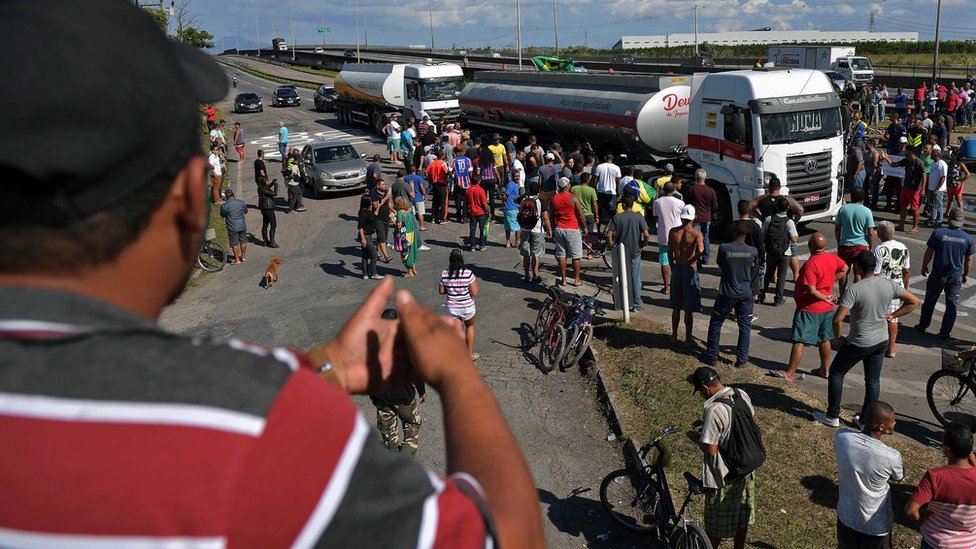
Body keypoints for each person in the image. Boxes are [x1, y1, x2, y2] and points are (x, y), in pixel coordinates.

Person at [0, 2, 547, 545]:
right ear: (193, 201)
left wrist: (324, 368)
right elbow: (506, 534)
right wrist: (457, 374)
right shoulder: (248, 421)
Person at [814, 252, 919, 428]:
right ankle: (865, 421)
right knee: (872, 381)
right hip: (881, 340)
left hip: (859, 341)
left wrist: (839, 338)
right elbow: (914, 301)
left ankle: (832, 415)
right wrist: (893, 315)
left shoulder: (855, 289)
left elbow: (837, 320)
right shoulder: (888, 283)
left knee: (837, 373)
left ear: (858, 267)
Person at [688, 367, 757, 549]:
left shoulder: (713, 409)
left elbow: (710, 449)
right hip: (747, 469)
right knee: (742, 520)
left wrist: (698, 438)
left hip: (725, 477)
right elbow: (748, 421)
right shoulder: (741, 394)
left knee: (715, 528)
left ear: (704, 388)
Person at [777, 233, 848, 381]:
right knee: (824, 339)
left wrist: (823, 296)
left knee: (799, 340)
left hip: (810, 308)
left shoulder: (811, 264)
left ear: (810, 246)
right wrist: (830, 282)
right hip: (827, 308)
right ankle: (825, 369)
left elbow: (811, 290)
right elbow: (845, 268)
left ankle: (790, 373)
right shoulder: (831, 257)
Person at [833, 401, 904, 548]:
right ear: (882, 427)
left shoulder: (842, 437)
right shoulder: (891, 456)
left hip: (846, 518)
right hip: (875, 525)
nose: (895, 423)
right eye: (893, 421)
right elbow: (899, 476)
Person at [906, 422, 976, 549]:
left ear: (947, 449)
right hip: (969, 545)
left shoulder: (935, 476)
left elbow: (911, 511)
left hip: (935, 543)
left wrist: (921, 518)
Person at [369, 309, 426, 456]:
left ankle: (392, 459)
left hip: (381, 397)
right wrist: (422, 391)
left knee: (388, 433)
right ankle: (406, 458)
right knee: (412, 424)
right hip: (403, 396)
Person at [703, 222, 758, 368]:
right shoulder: (752, 251)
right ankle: (742, 360)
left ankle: (712, 357)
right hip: (745, 292)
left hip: (727, 292)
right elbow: (754, 267)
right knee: (745, 327)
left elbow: (721, 264)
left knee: (716, 323)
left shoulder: (724, 248)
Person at [917, 208, 975, 339]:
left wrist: (924, 265)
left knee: (930, 300)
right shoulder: (967, 238)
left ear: (949, 219)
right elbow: (969, 259)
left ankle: (922, 326)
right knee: (952, 304)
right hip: (955, 276)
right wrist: (965, 274)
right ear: (962, 222)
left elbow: (929, 252)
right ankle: (945, 332)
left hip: (938, 274)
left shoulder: (938, 233)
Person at [607, 192, 651, 311]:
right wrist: (643, 245)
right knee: (635, 277)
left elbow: (609, 234)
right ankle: (636, 303)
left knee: (621, 277)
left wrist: (611, 246)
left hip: (621, 251)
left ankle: (621, 303)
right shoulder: (638, 216)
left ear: (624, 205)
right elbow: (646, 234)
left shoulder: (617, 217)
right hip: (635, 250)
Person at [873, 221, 910, 358]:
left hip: (882, 286)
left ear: (880, 233)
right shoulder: (903, 247)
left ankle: (876, 344)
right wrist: (904, 288)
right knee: (893, 318)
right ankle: (891, 349)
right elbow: (906, 271)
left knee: (878, 316)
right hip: (897, 286)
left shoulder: (880, 249)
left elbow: (876, 272)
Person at [669, 205, 704, 345]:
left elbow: (669, 253)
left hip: (677, 268)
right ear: (694, 217)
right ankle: (688, 338)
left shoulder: (673, 232)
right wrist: (693, 260)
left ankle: (674, 335)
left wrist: (673, 268)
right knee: (688, 308)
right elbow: (701, 249)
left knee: (676, 306)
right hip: (689, 269)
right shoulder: (696, 233)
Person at [834, 187, 876, 295]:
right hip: (861, 245)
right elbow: (871, 232)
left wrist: (839, 242)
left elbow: (838, 228)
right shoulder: (867, 211)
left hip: (845, 245)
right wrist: (871, 247)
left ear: (851, 197)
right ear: (863, 198)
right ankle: (856, 296)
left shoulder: (843, 209)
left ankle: (842, 295)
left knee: (843, 271)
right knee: (859, 272)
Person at [440, 249, 480, 360]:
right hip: (467, 306)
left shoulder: (445, 273)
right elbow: (475, 292)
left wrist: (452, 290)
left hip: (452, 307)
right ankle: (469, 353)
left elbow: (441, 291)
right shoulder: (468, 273)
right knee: (470, 326)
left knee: (457, 332)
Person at [760, 197, 798, 306]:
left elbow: (763, 234)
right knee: (781, 276)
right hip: (785, 252)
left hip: (771, 251)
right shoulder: (789, 222)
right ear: (788, 208)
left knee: (768, 274)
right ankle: (778, 299)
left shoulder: (769, 219)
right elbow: (795, 239)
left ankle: (762, 295)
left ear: (776, 207)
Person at [550, 177, 587, 287]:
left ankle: (564, 279)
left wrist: (552, 228)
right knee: (576, 255)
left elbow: (552, 216)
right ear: (567, 186)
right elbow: (580, 215)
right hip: (572, 228)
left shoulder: (554, 198)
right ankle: (576, 279)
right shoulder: (573, 197)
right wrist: (584, 227)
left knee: (562, 254)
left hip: (559, 228)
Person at [883, 146, 926, 233]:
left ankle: (915, 227)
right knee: (903, 206)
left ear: (911, 152)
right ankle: (901, 225)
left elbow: (924, 175)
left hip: (915, 189)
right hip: (906, 187)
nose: (904, 152)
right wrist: (886, 158)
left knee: (914, 208)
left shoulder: (918, 162)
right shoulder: (906, 160)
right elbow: (893, 165)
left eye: (906, 150)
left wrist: (923, 189)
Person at [681, 169, 718, 268]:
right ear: (705, 177)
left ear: (696, 177)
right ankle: (706, 258)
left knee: (696, 239)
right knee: (705, 237)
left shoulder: (692, 189)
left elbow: (686, 202)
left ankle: (698, 259)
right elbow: (715, 206)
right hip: (707, 217)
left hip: (696, 218)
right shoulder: (711, 190)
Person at [654, 181, 685, 295]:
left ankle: (666, 287)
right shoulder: (680, 203)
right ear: (674, 190)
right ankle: (678, 286)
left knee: (664, 262)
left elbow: (656, 215)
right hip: (677, 235)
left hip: (663, 235)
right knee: (679, 261)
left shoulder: (657, 202)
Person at [519, 180, 551, 283]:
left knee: (526, 254)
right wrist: (549, 229)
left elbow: (516, 199)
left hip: (524, 228)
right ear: (538, 190)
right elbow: (545, 217)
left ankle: (526, 275)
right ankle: (535, 275)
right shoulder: (541, 200)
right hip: (537, 229)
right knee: (535, 254)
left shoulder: (523, 199)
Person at [733, 200, 765, 301]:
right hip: (752, 260)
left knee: (737, 283)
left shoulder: (732, 225)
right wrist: (762, 260)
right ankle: (748, 307)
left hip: (735, 258)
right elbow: (760, 245)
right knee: (752, 284)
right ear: (749, 210)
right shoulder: (755, 226)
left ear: (738, 210)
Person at [219, 188, 248, 264]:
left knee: (234, 244)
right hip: (242, 225)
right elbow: (246, 211)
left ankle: (237, 259)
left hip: (232, 227)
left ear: (226, 197)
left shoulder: (225, 205)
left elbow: (222, 215)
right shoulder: (241, 202)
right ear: (233, 195)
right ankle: (243, 257)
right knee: (243, 241)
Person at [593, 153, 621, 231]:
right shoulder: (617, 168)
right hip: (612, 193)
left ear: (605, 158)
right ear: (612, 159)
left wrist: (594, 189)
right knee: (612, 214)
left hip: (601, 192)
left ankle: (598, 230)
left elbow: (595, 180)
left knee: (599, 214)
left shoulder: (599, 167)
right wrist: (619, 193)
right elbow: (618, 181)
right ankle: (610, 232)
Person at [357, 194, 381, 280]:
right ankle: (373, 273)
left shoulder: (367, 210)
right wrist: (363, 239)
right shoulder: (363, 212)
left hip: (368, 235)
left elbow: (374, 216)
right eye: (371, 201)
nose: (372, 202)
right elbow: (360, 227)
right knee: (374, 254)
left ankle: (365, 273)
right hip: (365, 236)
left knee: (365, 255)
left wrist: (378, 207)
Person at [394, 196, 418, 278]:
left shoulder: (400, 213)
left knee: (405, 253)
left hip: (404, 235)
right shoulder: (409, 211)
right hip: (412, 233)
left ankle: (409, 271)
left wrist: (392, 219)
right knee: (411, 251)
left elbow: (399, 225)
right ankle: (413, 267)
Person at [371, 178, 394, 264]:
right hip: (378, 219)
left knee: (383, 238)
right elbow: (376, 206)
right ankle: (386, 256)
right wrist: (385, 198)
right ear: (378, 186)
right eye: (382, 185)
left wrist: (393, 211)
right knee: (381, 237)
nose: (384, 186)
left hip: (386, 218)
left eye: (384, 184)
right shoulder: (374, 194)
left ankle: (377, 254)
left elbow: (388, 204)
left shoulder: (385, 192)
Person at [925, 148, 949, 228]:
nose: (930, 155)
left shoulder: (942, 164)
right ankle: (932, 218)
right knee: (932, 205)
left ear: (936, 155)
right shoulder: (933, 163)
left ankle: (939, 220)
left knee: (938, 205)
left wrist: (937, 189)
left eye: (932, 153)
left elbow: (943, 177)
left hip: (938, 189)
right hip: (931, 188)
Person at [425, 149, 449, 224]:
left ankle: (433, 217)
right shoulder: (443, 163)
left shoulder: (433, 163)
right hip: (442, 183)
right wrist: (446, 178)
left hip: (434, 184)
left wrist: (431, 178)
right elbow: (445, 172)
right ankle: (442, 218)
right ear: (442, 156)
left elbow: (426, 172)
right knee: (443, 201)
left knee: (435, 201)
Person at [945, 147, 971, 218]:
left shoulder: (960, 164)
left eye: (953, 154)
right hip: (949, 184)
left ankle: (960, 214)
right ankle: (947, 213)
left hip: (957, 184)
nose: (951, 156)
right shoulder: (950, 164)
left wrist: (961, 181)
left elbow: (968, 174)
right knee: (950, 199)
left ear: (956, 155)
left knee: (958, 199)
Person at [466, 173, 489, 251]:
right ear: (479, 181)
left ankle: (472, 245)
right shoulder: (481, 190)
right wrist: (488, 211)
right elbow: (484, 203)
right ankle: (482, 245)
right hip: (481, 212)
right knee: (482, 229)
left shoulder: (468, 190)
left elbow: (466, 202)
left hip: (472, 212)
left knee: (472, 229)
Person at [451, 145, 474, 223]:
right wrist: (472, 181)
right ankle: (465, 217)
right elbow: (470, 172)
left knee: (457, 200)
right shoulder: (468, 160)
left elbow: (449, 170)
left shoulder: (454, 160)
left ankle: (458, 216)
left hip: (458, 182)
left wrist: (453, 177)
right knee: (465, 201)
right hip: (466, 182)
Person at [257, 176, 279, 249]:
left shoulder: (260, 188)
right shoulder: (264, 190)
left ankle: (265, 241)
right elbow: (274, 193)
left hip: (264, 209)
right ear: (263, 182)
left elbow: (268, 186)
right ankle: (272, 242)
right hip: (268, 208)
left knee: (265, 223)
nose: (267, 182)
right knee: (273, 224)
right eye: (266, 181)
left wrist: (272, 183)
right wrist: (276, 186)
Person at [503, 170, 522, 248]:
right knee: (518, 226)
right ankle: (517, 241)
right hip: (512, 208)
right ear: (512, 176)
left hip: (509, 208)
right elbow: (505, 196)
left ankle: (508, 241)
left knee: (507, 226)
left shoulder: (514, 184)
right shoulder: (511, 185)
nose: (517, 177)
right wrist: (504, 203)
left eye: (518, 176)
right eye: (516, 176)